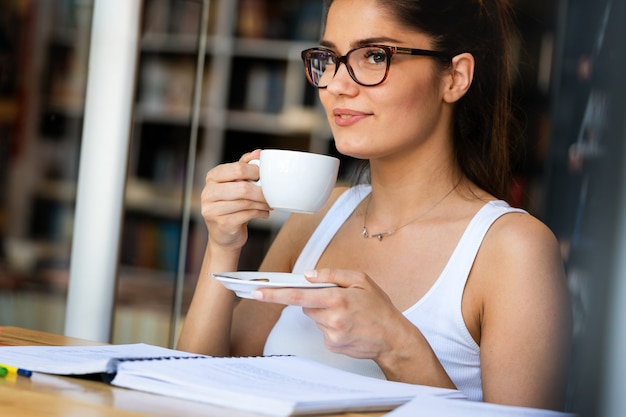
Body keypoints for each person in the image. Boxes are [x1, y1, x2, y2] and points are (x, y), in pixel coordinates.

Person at [177, 0, 572, 410]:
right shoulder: (317, 218)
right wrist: (222, 246)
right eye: (329, 58)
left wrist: (399, 347)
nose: (335, 86)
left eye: (374, 56)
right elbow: (197, 385)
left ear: (454, 77)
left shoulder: (513, 249)